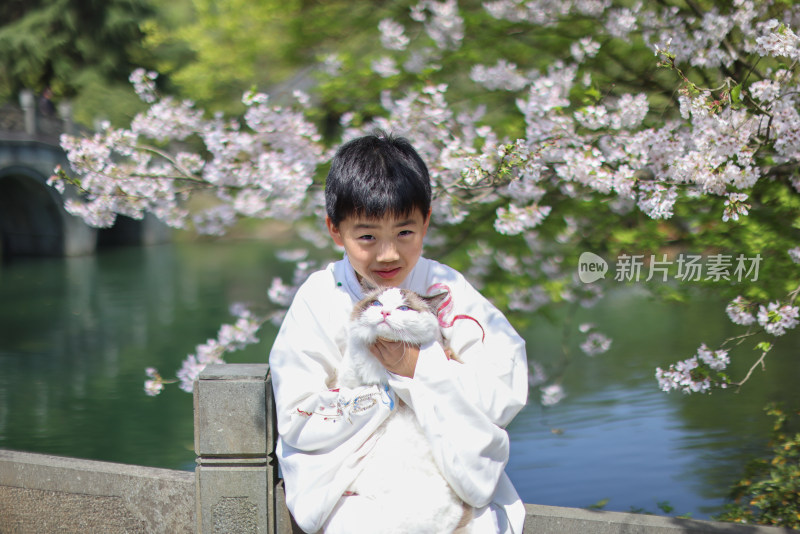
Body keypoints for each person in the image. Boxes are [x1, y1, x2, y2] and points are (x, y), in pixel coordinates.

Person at [269, 131, 529, 533]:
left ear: (426, 221)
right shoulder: (319, 298)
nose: (388, 253)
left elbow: (503, 389)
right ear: (336, 230)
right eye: (368, 236)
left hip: (445, 471)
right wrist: (382, 395)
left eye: (405, 233)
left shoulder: (447, 289)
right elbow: (297, 415)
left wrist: (417, 366)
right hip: (351, 483)